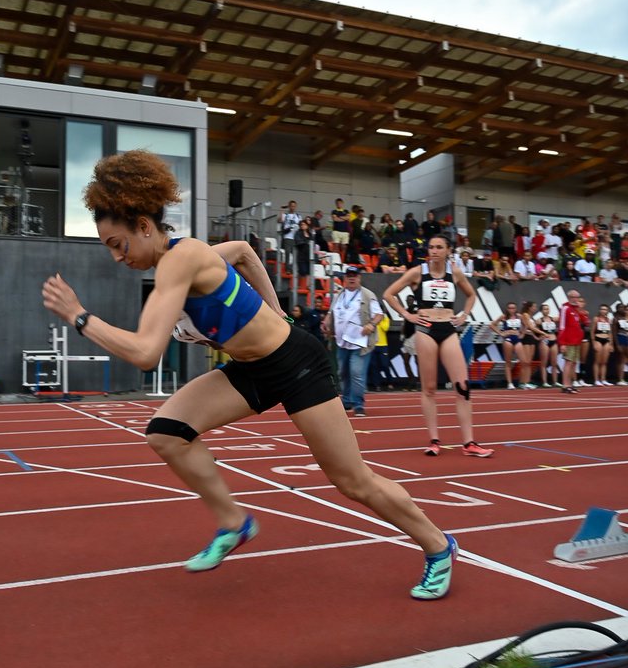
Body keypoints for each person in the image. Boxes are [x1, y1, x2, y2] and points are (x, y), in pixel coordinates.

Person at [41, 150, 457, 599]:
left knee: (352, 481)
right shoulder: (180, 264)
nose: (117, 258)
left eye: (117, 244)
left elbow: (145, 353)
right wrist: (275, 308)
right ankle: (235, 522)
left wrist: (80, 316)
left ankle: (438, 546)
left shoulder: (181, 260)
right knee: (166, 432)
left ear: (145, 226)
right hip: (252, 369)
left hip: (296, 364)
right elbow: (241, 250)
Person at [383, 234, 491, 458]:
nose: (434, 251)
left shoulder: (455, 272)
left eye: (439, 247)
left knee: (462, 387)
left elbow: (471, 295)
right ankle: (434, 441)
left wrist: (464, 315)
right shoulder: (417, 272)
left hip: (448, 328)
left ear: (448, 250)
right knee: (429, 388)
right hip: (426, 329)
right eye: (431, 247)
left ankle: (469, 442)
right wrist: (407, 315)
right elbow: (389, 294)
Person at [321, 266, 383, 417]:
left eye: (354, 275)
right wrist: (326, 322)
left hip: (360, 342)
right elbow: (331, 312)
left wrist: (371, 324)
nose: (351, 278)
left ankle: (358, 404)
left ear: (359, 278)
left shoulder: (367, 295)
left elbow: (379, 314)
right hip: (342, 341)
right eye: (348, 275)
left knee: (356, 372)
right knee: (343, 372)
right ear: (344, 279)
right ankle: (347, 400)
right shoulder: (339, 295)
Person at [558, 291, 588, 394]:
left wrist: (580, 309)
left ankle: (570, 384)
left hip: (577, 340)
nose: (576, 299)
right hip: (568, 340)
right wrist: (562, 343)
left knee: (574, 363)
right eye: (574, 297)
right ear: (569, 297)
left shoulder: (575, 310)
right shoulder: (565, 308)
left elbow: (585, 322)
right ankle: (565, 385)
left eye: (577, 297)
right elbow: (562, 326)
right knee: (568, 362)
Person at [489, 302, 524, 390]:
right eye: (510, 308)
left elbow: (526, 324)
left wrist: (522, 333)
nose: (511, 310)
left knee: (523, 361)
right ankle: (510, 383)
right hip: (508, 339)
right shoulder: (503, 317)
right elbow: (492, 325)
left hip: (517, 338)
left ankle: (523, 382)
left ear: (516, 309)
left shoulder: (519, 316)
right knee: (508, 362)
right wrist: (501, 333)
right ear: (507, 309)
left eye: (513, 308)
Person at [534, 303, 560, 388]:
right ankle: (544, 382)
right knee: (544, 363)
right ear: (541, 311)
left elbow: (563, 320)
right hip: (545, 341)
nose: (546, 310)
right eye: (545, 309)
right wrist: (538, 337)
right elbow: (532, 329)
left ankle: (555, 381)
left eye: (548, 309)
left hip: (553, 340)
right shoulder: (539, 321)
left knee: (554, 362)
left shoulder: (554, 319)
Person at [590, 304, 615, 386]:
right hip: (598, 339)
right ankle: (596, 379)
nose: (603, 311)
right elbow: (592, 332)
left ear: (607, 311)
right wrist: (593, 343)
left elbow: (610, 332)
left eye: (605, 309)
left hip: (606, 340)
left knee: (604, 362)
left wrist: (611, 344)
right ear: (599, 310)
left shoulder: (608, 320)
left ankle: (603, 379)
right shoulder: (596, 319)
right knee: (597, 361)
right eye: (602, 309)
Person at [278, 200, 302, 274]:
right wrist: (281, 210)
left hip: (295, 237)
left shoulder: (298, 216)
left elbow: (301, 225)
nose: (293, 207)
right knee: (287, 252)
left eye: (294, 206)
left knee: (296, 254)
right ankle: (288, 269)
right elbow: (280, 220)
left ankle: (294, 268)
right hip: (287, 236)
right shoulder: (286, 215)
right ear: (289, 206)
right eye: (291, 206)